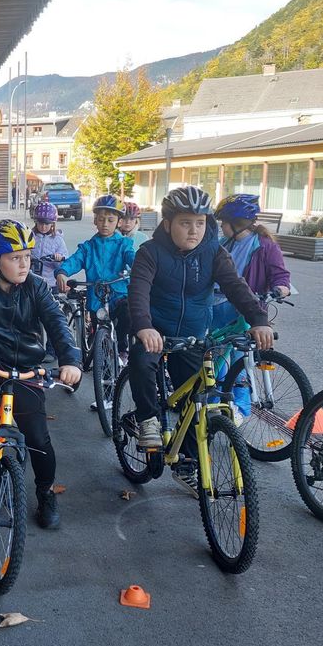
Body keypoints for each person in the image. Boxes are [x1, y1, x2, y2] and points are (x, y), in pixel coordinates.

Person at [127, 186, 274, 492]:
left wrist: (259, 320)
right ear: (168, 223)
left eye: (200, 222)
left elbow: (236, 286)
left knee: (198, 399)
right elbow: (138, 291)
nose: (193, 230)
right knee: (142, 364)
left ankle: (188, 461)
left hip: (193, 335)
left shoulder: (214, 253)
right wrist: (144, 326)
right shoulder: (150, 253)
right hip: (156, 332)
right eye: (185, 223)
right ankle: (147, 419)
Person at [0, 220, 82, 529]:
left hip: (25, 366)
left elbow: (57, 324)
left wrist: (70, 360)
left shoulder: (36, 285)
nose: (24, 264)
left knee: (38, 438)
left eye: (27, 256)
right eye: (15, 258)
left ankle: (46, 493)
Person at [55, 194, 135, 362]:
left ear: (119, 222)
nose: (105, 224)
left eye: (110, 220)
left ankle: (122, 348)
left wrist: (138, 268)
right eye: (101, 219)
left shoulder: (124, 244)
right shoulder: (88, 247)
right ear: (95, 221)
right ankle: (98, 345)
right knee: (97, 325)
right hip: (97, 296)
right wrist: (62, 272)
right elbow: (75, 260)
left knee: (126, 314)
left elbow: (132, 257)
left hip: (118, 293)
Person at [211, 194, 291, 331]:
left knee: (240, 350)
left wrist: (281, 288)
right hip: (213, 305)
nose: (222, 226)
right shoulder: (222, 243)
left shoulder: (265, 246)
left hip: (243, 308)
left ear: (236, 224)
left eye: (223, 222)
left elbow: (279, 274)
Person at [30, 201, 68, 290]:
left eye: (47, 224)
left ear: (52, 223)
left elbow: (65, 260)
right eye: (40, 223)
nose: (43, 227)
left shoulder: (58, 239)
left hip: (50, 283)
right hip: (30, 281)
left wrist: (59, 259)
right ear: (36, 222)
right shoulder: (30, 236)